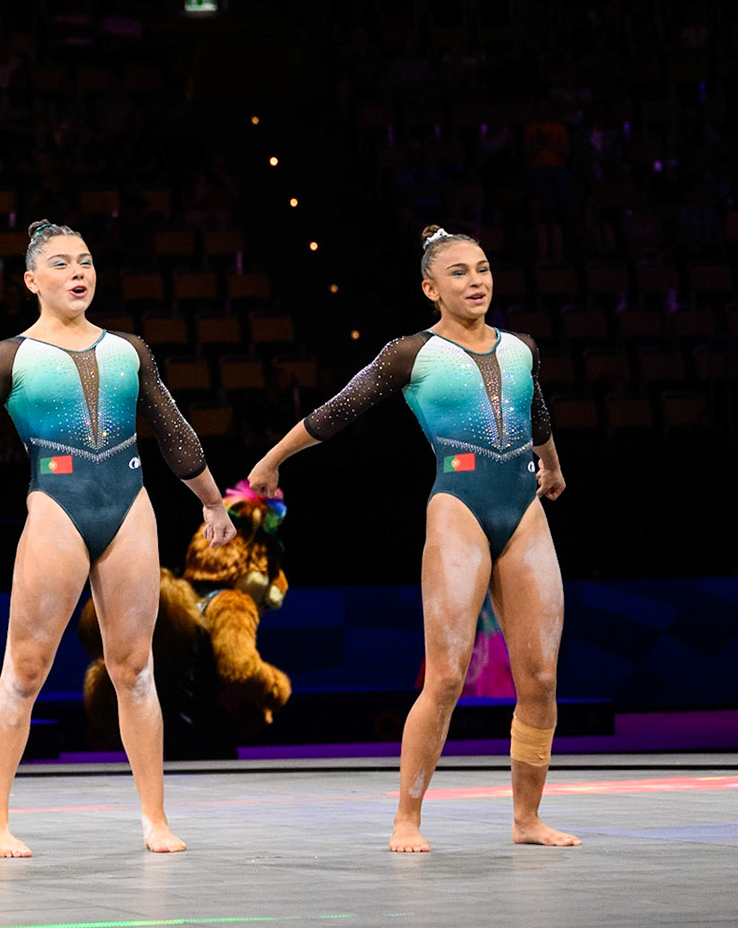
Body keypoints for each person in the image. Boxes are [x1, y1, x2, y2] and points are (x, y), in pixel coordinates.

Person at [0, 220, 234, 858]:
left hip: (130, 505)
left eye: (87, 262)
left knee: (134, 668)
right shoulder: (9, 357)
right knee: (25, 668)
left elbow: (176, 432)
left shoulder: (130, 350)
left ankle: (155, 818)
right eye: (63, 264)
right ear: (31, 280)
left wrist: (213, 502)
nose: (79, 273)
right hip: (57, 509)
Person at [248, 224, 578, 853]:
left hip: (523, 509)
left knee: (538, 676)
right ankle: (407, 817)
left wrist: (553, 465)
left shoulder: (521, 348)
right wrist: (271, 461)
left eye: (482, 268)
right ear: (430, 288)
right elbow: (338, 411)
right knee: (448, 676)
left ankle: (527, 819)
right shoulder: (411, 355)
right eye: (458, 273)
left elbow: (536, 410)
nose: (475, 281)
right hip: (459, 507)